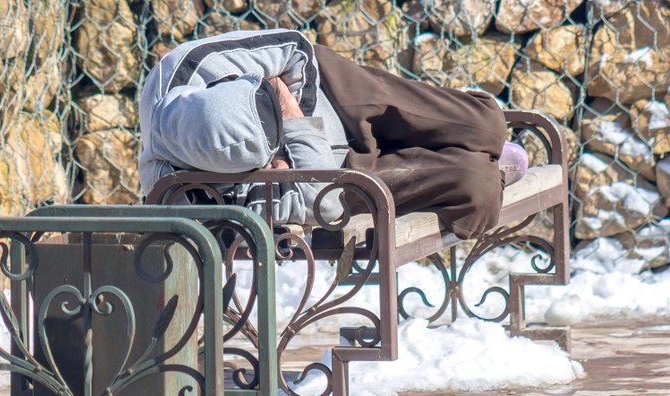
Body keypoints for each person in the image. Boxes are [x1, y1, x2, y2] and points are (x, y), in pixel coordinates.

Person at [138, 28, 526, 239]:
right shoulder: (184, 193)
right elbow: (323, 207)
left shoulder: (189, 66)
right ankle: (484, 168)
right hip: (330, 173)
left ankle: (481, 147)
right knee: (476, 185)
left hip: (329, 94)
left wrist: (291, 115)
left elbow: (295, 49)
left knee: (486, 123)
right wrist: (300, 139)